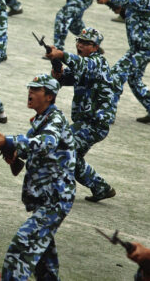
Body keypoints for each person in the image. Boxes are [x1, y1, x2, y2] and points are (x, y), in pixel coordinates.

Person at [0, 74, 75, 280]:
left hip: (55, 200)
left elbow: (46, 143)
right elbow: (22, 158)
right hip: (45, 199)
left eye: (36, 89)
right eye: (30, 88)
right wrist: (10, 152)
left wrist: (10, 142)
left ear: (49, 97)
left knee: (19, 251)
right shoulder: (39, 122)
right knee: (45, 265)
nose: (30, 92)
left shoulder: (55, 120)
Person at [46, 27, 118, 202]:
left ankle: (58, 192)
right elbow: (62, 79)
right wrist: (56, 66)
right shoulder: (83, 63)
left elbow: (81, 65)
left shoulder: (98, 62)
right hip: (85, 122)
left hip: (94, 123)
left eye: (86, 43)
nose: (80, 45)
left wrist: (61, 55)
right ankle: (101, 187)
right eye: (79, 41)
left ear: (95, 47)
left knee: (61, 148)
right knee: (73, 157)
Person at [97, 0, 150, 124]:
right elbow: (127, 12)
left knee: (116, 75)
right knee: (134, 79)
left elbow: (130, 0)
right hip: (138, 48)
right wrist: (114, 7)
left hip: (145, 49)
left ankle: (108, 115)